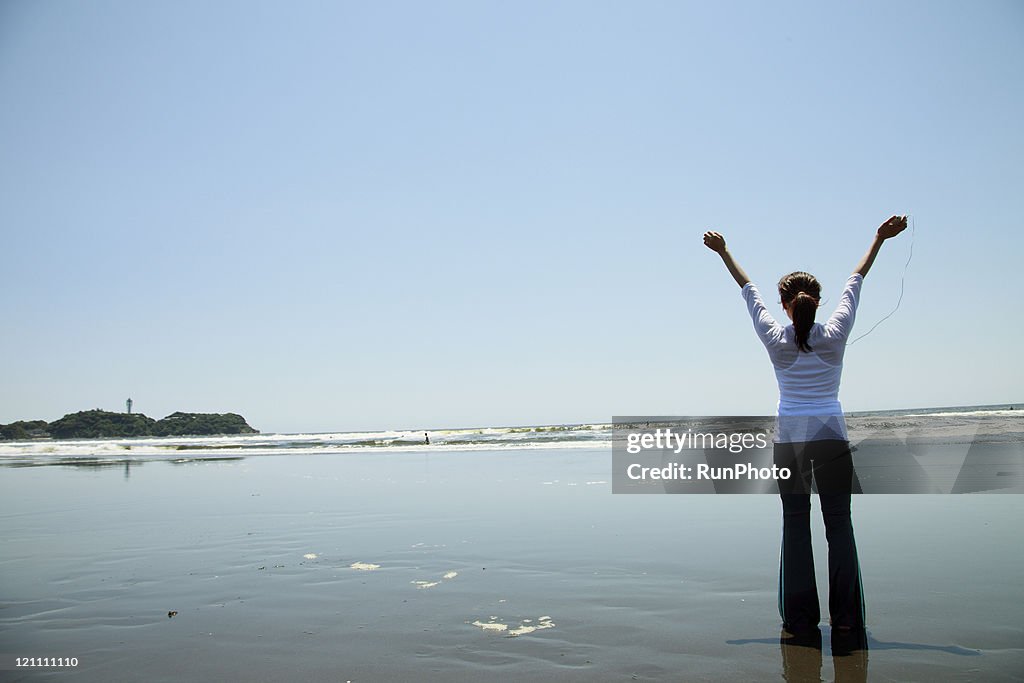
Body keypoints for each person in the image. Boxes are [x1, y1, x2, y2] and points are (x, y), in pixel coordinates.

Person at [702, 215, 908, 633]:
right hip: (832, 441)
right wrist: (879, 238)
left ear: (784, 305)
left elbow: (748, 290)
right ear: (819, 301)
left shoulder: (775, 338)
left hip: (789, 444)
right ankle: (847, 619)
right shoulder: (835, 332)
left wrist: (724, 251)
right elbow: (857, 278)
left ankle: (799, 620)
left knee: (795, 526)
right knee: (839, 527)